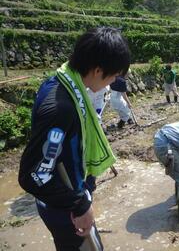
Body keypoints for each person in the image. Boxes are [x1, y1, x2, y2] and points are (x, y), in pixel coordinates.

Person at [18, 27, 130, 251]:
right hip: (64, 210)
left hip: (65, 199)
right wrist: (79, 205)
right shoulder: (61, 109)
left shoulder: (62, 82)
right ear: (98, 70)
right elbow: (33, 175)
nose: (112, 82)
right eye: (114, 75)